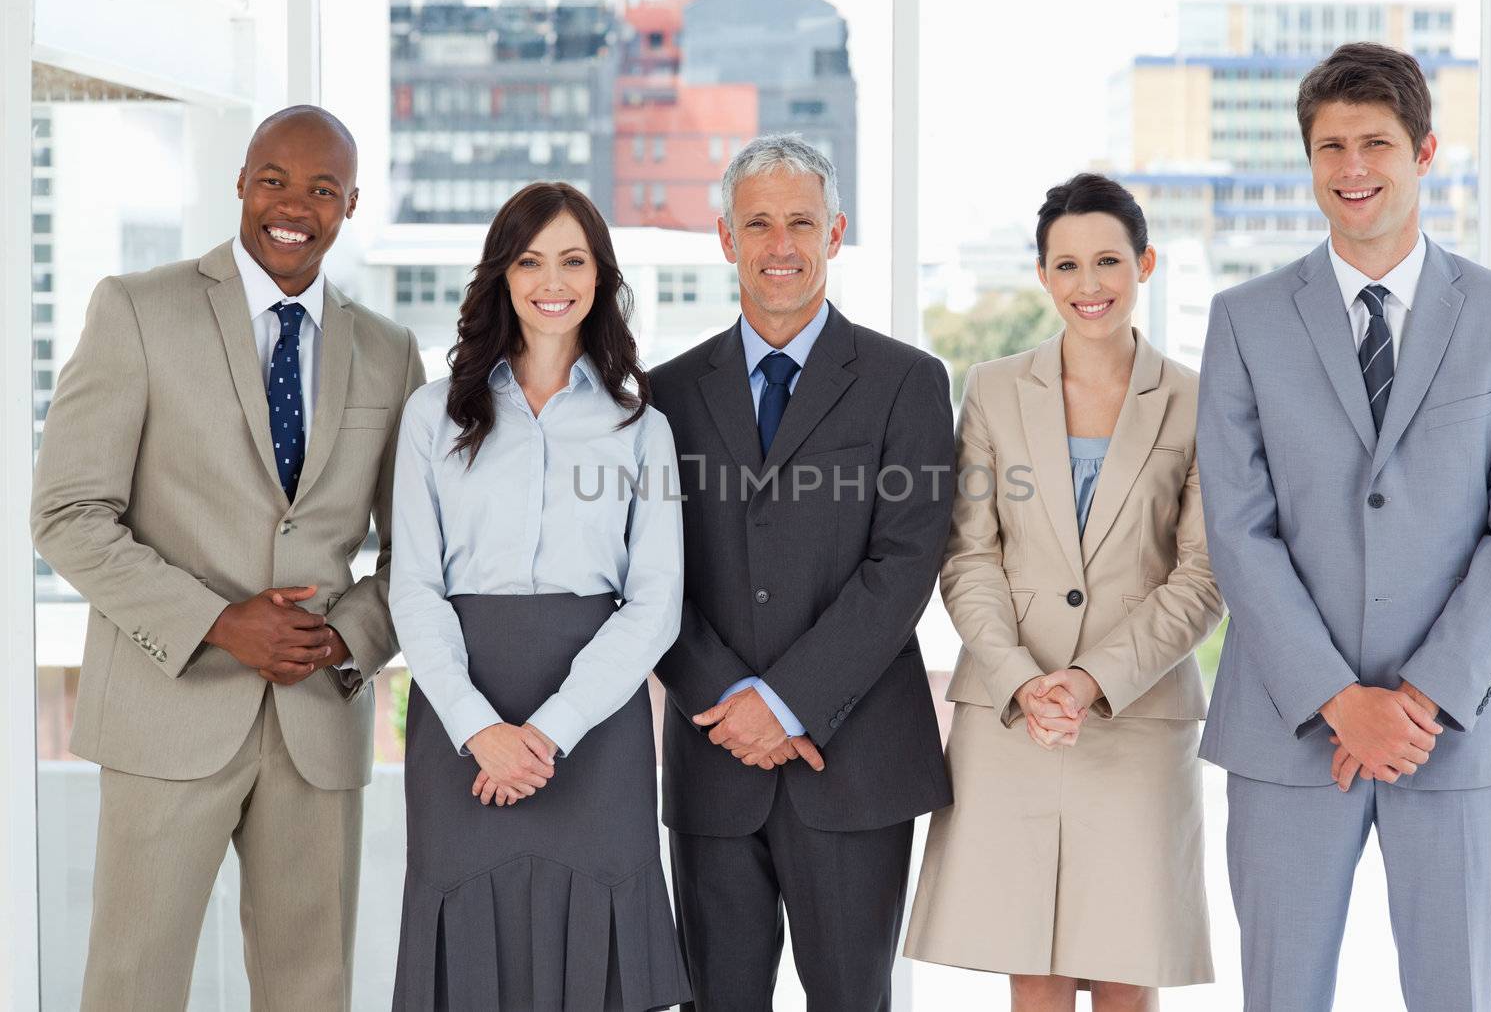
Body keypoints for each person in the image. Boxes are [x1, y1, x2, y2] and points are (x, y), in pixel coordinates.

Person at [1197, 42, 1491, 1012]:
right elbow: (1237, 525)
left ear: (1424, 152)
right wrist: (1334, 694)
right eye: (1329, 147)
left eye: (1374, 143)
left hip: (1454, 731)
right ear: (1308, 160)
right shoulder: (1242, 319)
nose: (1351, 168)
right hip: (1286, 730)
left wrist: (1420, 695)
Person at [30, 105, 425, 1010]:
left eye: (322, 188)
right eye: (274, 179)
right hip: (167, 711)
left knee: (309, 989)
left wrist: (343, 639)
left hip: (317, 722)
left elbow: (421, 555)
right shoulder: (136, 310)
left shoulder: (391, 354)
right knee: (133, 984)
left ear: (351, 204)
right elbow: (66, 510)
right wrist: (217, 620)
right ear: (241, 185)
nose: (295, 205)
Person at [903, 174, 1224, 1011]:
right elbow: (967, 557)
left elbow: (1203, 573)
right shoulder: (993, 387)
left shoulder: (1197, 399)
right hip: (1013, 721)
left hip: (1136, 718)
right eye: (1068, 265)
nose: (1090, 285)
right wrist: (1023, 677)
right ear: (1043, 275)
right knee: (1033, 977)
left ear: (1144, 263)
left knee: (1127, 973)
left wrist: (1091, 681)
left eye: (1109, 261)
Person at [649, 133, 955, 1011]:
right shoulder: (665, 395)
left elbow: (905, 564)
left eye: (800, 222)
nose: (779, 245)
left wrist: (782, 705)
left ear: (836, 231)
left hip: (853, 766)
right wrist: (732, 709)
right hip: (714, 765)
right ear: (724, 238)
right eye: (757, 224)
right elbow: (651, 574)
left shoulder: (906, 382)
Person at [387, 181, 692, 1011]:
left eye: (572, 259)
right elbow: (411, 586)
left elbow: (655, 601)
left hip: (595, 725)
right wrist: (479, 727)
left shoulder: (641, 426)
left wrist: (548, 733)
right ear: (502, 275)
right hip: (461, 725)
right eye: (530, 260)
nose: (551, 280)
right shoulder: (431, 416)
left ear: (599, 275)